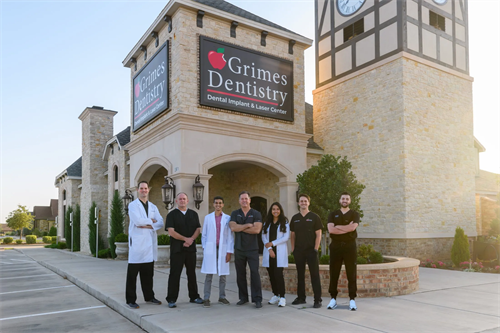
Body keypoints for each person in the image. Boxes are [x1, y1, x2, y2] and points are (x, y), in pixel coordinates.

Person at [125, 181, 164, 309]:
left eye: (145, 188)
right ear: (137, 190)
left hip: (149, 245)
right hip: (137, 244)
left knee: (148, 274)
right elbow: (137, 221)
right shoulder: (132, 205)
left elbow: (161, 222)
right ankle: (131, 299)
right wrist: (151, 222)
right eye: (141, 188)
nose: (143, 190)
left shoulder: (153, 206)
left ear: (148, 190)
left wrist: (146, 224)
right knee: (133, 274)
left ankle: (149, 296)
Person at [165, 193, 203, 308]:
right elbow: (171, 231)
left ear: (187, 201)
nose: (182, 201)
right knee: (175, 274)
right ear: (176, 201)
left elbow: (198, 229)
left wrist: (191, 240)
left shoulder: (193, 214)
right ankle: (171, 299)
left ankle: (194, 296)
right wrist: (185, 239)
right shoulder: (171, 215)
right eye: (180, 199)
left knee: (191, 273)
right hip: (177, 250)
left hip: (190, 249)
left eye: (184, 199)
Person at [229, 191, 263, 308]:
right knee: (240, 274)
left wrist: (240, 228)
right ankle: (243, 298)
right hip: (239, 249)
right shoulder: (235, 213)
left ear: (250, 200)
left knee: (254, 273)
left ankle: (257, 299)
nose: (244, 201)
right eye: (242, 199)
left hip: (252, 249)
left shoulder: (256, 213)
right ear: (239, 201)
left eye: (246, 199)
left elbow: (257, 230)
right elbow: (233, 227)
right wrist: (248, 225)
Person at [327, 192, 360, 311]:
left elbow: (353, 228)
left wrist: (338, 227)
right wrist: (346, 228)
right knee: (334, 272)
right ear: (340, 200)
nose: (345, 200)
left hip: (350, 247)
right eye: (343, 198)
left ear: (350, 201)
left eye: (347, 199)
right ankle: (333, 299)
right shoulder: (333, 214)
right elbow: (331, 230)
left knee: (351, 273)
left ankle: (352, 299)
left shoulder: (355, 214)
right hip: (335, 246)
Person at [290, 193, 323, 308]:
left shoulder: (314, 217)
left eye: (305, 201)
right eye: (301, 201)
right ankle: (301, 298)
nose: (303, 203)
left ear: (308, 203)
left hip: (311, 251)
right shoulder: (295, 218)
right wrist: (293, 249)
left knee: (315, 275)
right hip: (299, 251)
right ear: (298, 203)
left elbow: (319, 234)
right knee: (300, 275)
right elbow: (292, 235)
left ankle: (317, 300)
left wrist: (315, 248)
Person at [200, 196, 234, 307]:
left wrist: (229, 251)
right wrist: (205, 248)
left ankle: (222, 297)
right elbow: (204, 235)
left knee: (222, 275)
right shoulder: (208, 218)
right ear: (213, 204)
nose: (218, 205)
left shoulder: (227, 218)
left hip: (223, 249)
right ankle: (206, 298)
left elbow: (230, 236)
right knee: (209, 274)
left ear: (223, 205)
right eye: (216, 203)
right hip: (211, 248)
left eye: (220, 203)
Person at [261, 202, 290, 307]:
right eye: (273, 209)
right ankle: (275, 295)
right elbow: (263, 237)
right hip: (269, 252)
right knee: (271, 275)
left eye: (277, 209)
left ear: (280, 210)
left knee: (278, 275)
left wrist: (273, 243)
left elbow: (286, 237)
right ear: (271, 211)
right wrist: (269, 248)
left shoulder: (284, 222)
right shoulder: (267, 222)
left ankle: (282, 297)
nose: (275, 211)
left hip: (279, 252)